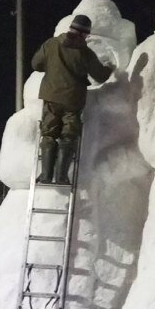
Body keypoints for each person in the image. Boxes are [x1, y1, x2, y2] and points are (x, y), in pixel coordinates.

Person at [31, 14, 114, 184]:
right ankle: (61, 177)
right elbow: (100, 76)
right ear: (85, 34)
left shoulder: (51, 44)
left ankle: (46, 176)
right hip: (73, 101)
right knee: (68, 136)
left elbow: (35, 64)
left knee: (48, 134)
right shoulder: (85, 53)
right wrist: (109, 67)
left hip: (51, 98)